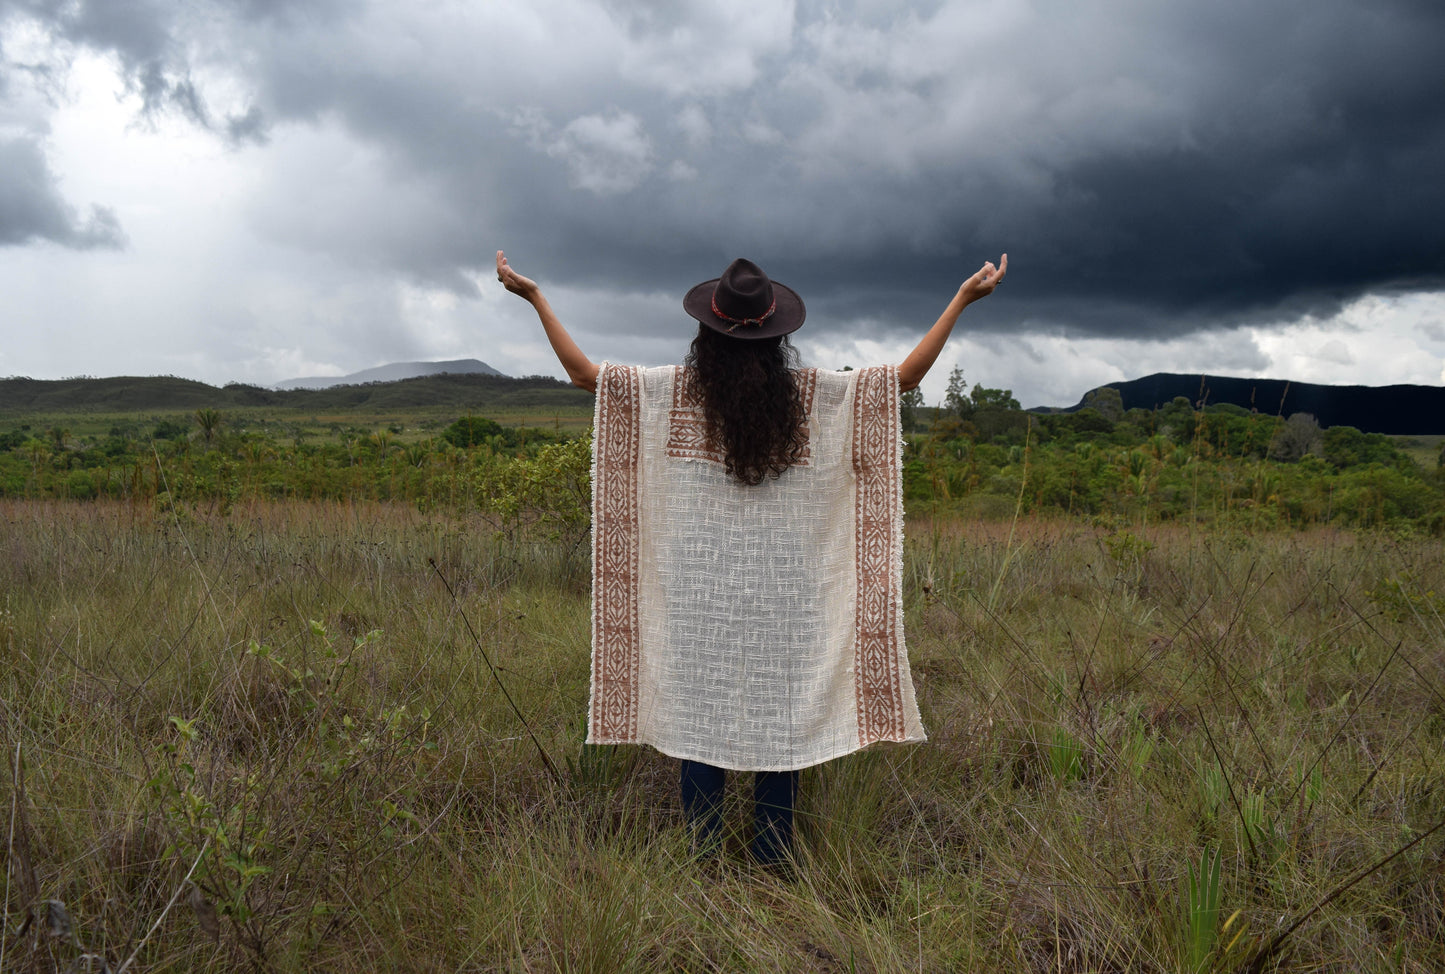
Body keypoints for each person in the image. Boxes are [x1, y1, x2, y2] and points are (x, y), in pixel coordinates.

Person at [496, 248, 1006, 864]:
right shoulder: (811, 398)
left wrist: (535, 297)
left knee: (697, 723)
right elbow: (902, 379)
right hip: (788, 602)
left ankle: (704, 860)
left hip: (695, 601)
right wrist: (962, 299)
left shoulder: (672, 392)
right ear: (777, 335)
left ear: (705, 334)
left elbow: (583, 374)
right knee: (783, 724)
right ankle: (772, 861)